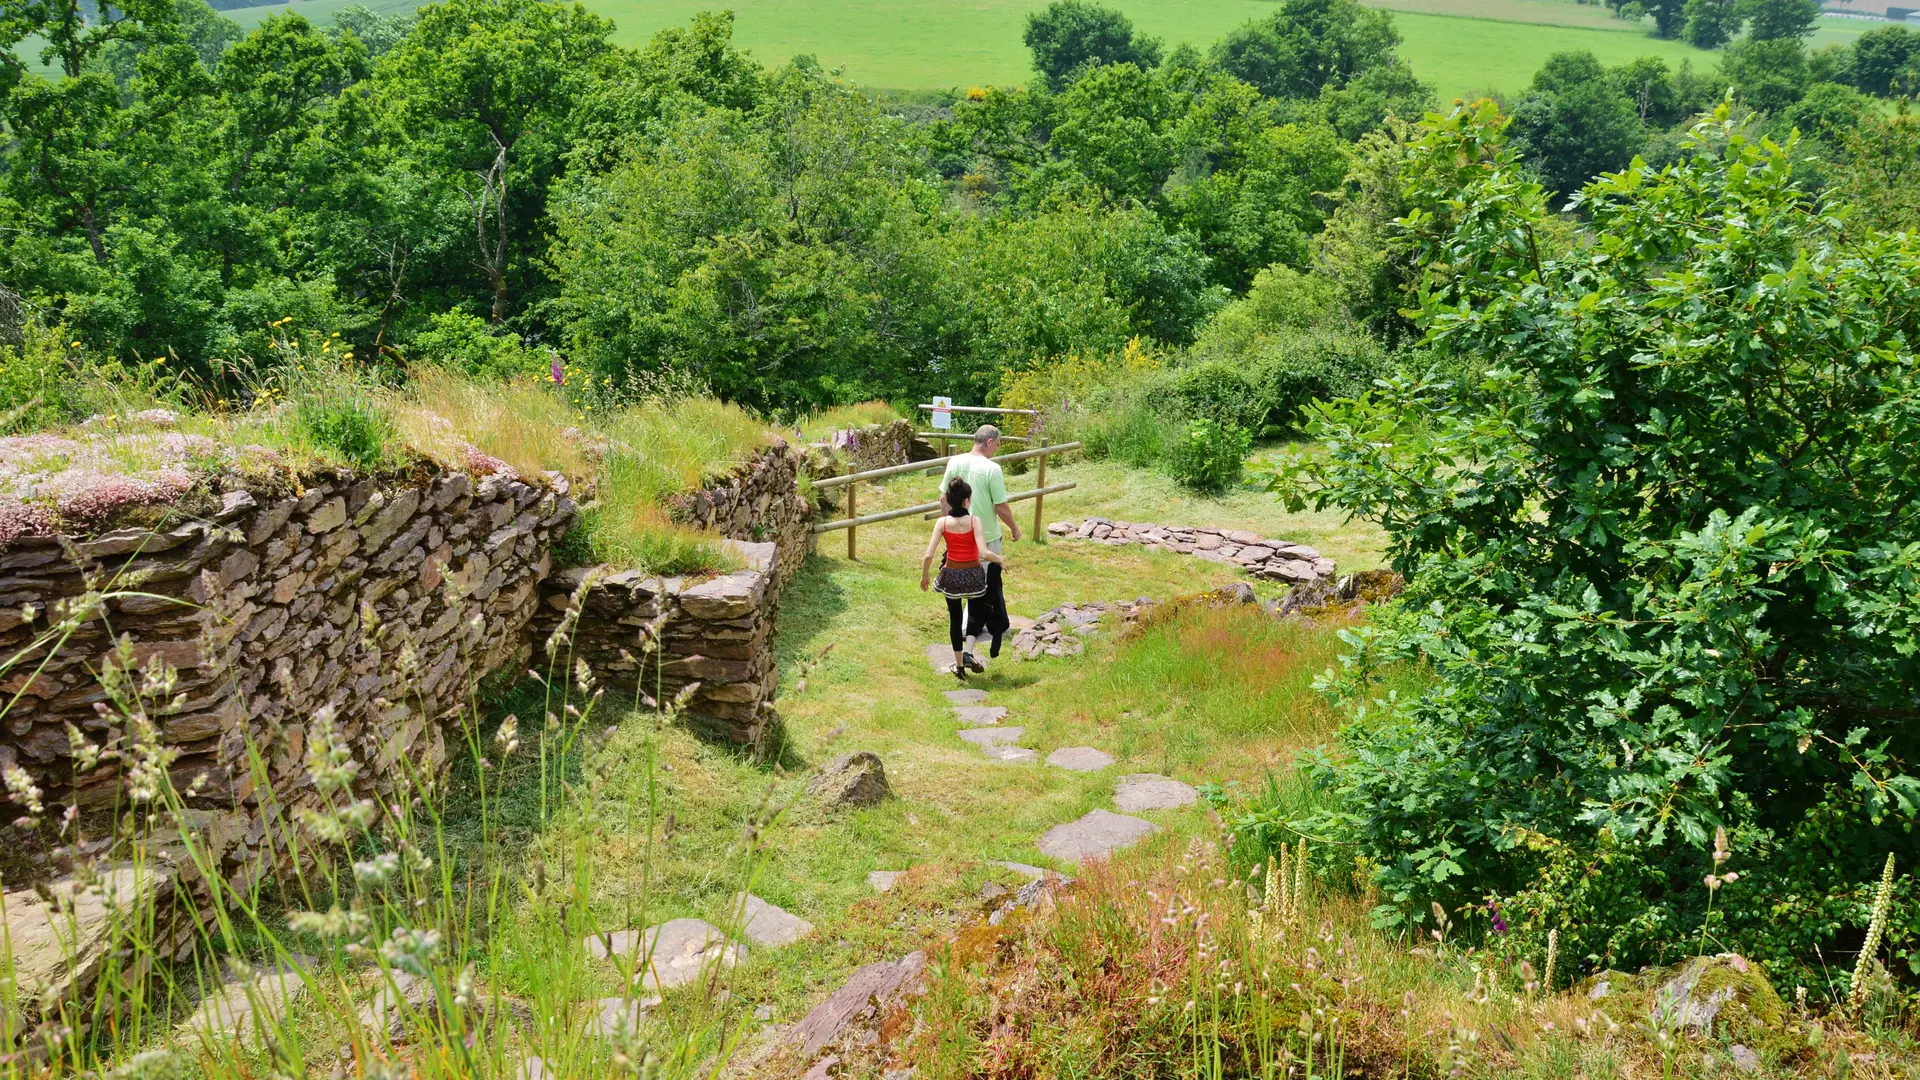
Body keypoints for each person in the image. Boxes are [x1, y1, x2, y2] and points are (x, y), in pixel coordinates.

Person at [939, 425, 1019, 671]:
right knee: (982, 589)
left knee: (962, 587)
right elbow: (1000, 506)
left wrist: (948, 528)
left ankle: (963, 642)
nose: (996, 449)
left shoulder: (955, 461)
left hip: (958, 535)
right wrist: (1015, 528)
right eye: (997, 445)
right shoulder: (992, 469)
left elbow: (943, 498)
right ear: (989, 442)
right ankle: (969, 639)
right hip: (987, 537)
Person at [920, 477, 1005, 680]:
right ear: (967, 501)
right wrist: (1000, 559)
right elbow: (984, 553)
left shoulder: (942, 523)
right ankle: (969, 651)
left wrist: (925, 575)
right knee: (975, 613)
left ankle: (959, 666)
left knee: (955, 619)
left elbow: (928, 555)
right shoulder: (975, 521)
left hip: (951, 577)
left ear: (949, 500)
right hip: (973, 576)